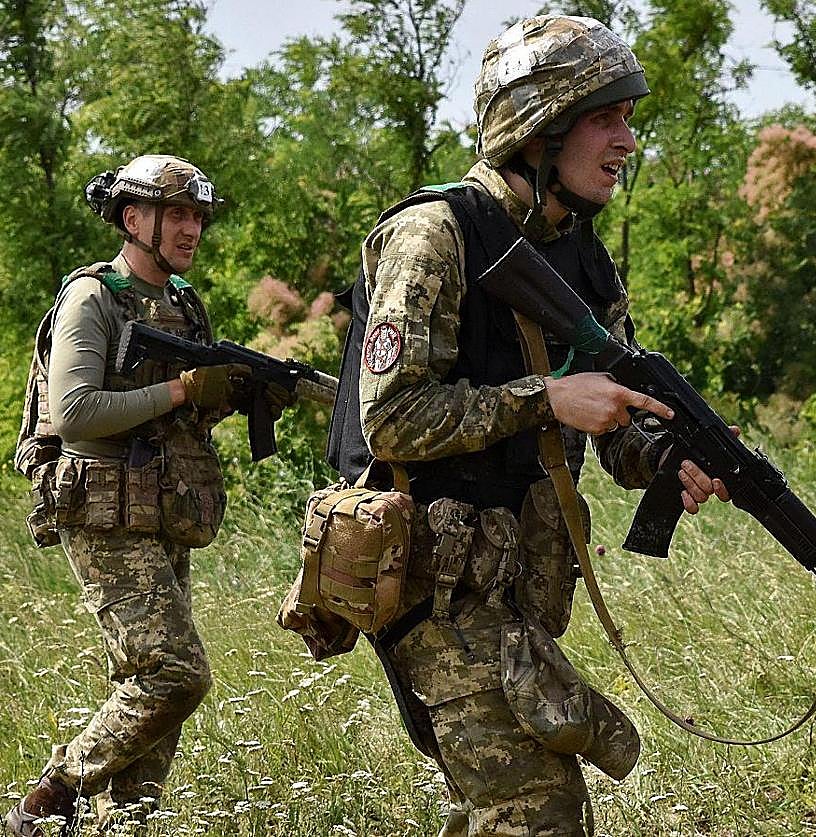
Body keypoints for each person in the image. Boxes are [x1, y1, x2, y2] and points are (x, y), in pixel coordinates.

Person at [339, 15, 730, 836]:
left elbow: (615, 420)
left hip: (520, 583)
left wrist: (662, 456)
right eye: (606, 117)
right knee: (536, 808)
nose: (627, 139)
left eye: (628, 117)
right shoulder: (436, 234)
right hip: (434, 583)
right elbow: (389, 420)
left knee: (497, 807)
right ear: (539, 128)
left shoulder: (583, 254)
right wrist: (546, 398)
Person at [5, 155, 259, 836]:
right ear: (132, 218)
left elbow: (179, 414)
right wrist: (182, 389)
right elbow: (79, 409)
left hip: (162, 507)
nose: (192, 229)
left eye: (199, 217)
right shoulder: (94, 297)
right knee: (176, 674)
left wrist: (231, 395)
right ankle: (49, 794)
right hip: (102, 507)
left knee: (148, 693)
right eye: (178, 214)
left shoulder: (183, 305)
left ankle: (120, 825)